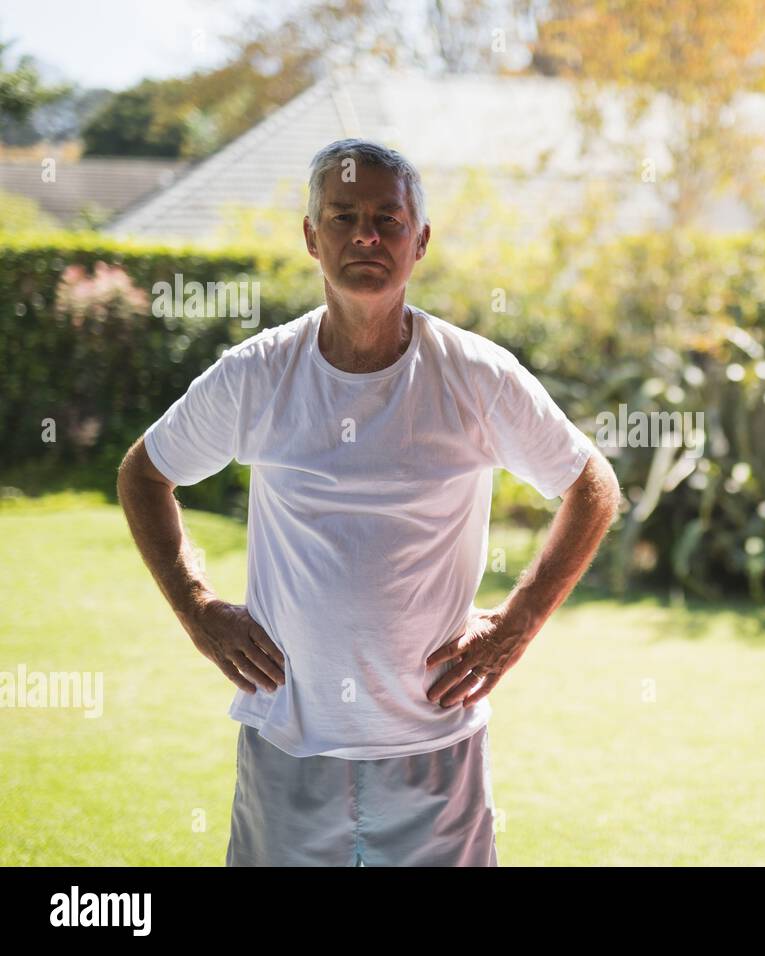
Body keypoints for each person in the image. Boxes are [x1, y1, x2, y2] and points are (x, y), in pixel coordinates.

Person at [116, 138, 622, 866]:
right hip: (289, 740)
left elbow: (590, 484)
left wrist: (519, 622)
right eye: (343, 215)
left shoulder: (476, 375)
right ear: (310, 236)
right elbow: (145, 473)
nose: (365, 235)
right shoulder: (256, 374)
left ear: (419, 241)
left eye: (388, 218)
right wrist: (197, 608)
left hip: (434, 749)